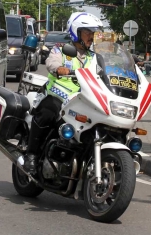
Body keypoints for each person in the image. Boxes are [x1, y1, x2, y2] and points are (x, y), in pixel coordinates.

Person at [23, 12, 103, 174]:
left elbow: (104, 72)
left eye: (92, 33)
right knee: (47, 113)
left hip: (81, 100)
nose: (91, 37)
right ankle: (31, 155)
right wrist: (59, 68)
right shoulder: (61, 50)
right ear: (76, 32)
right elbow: (51, 63)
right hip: (56, 95)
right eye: (87, 33)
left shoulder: (93, 57)